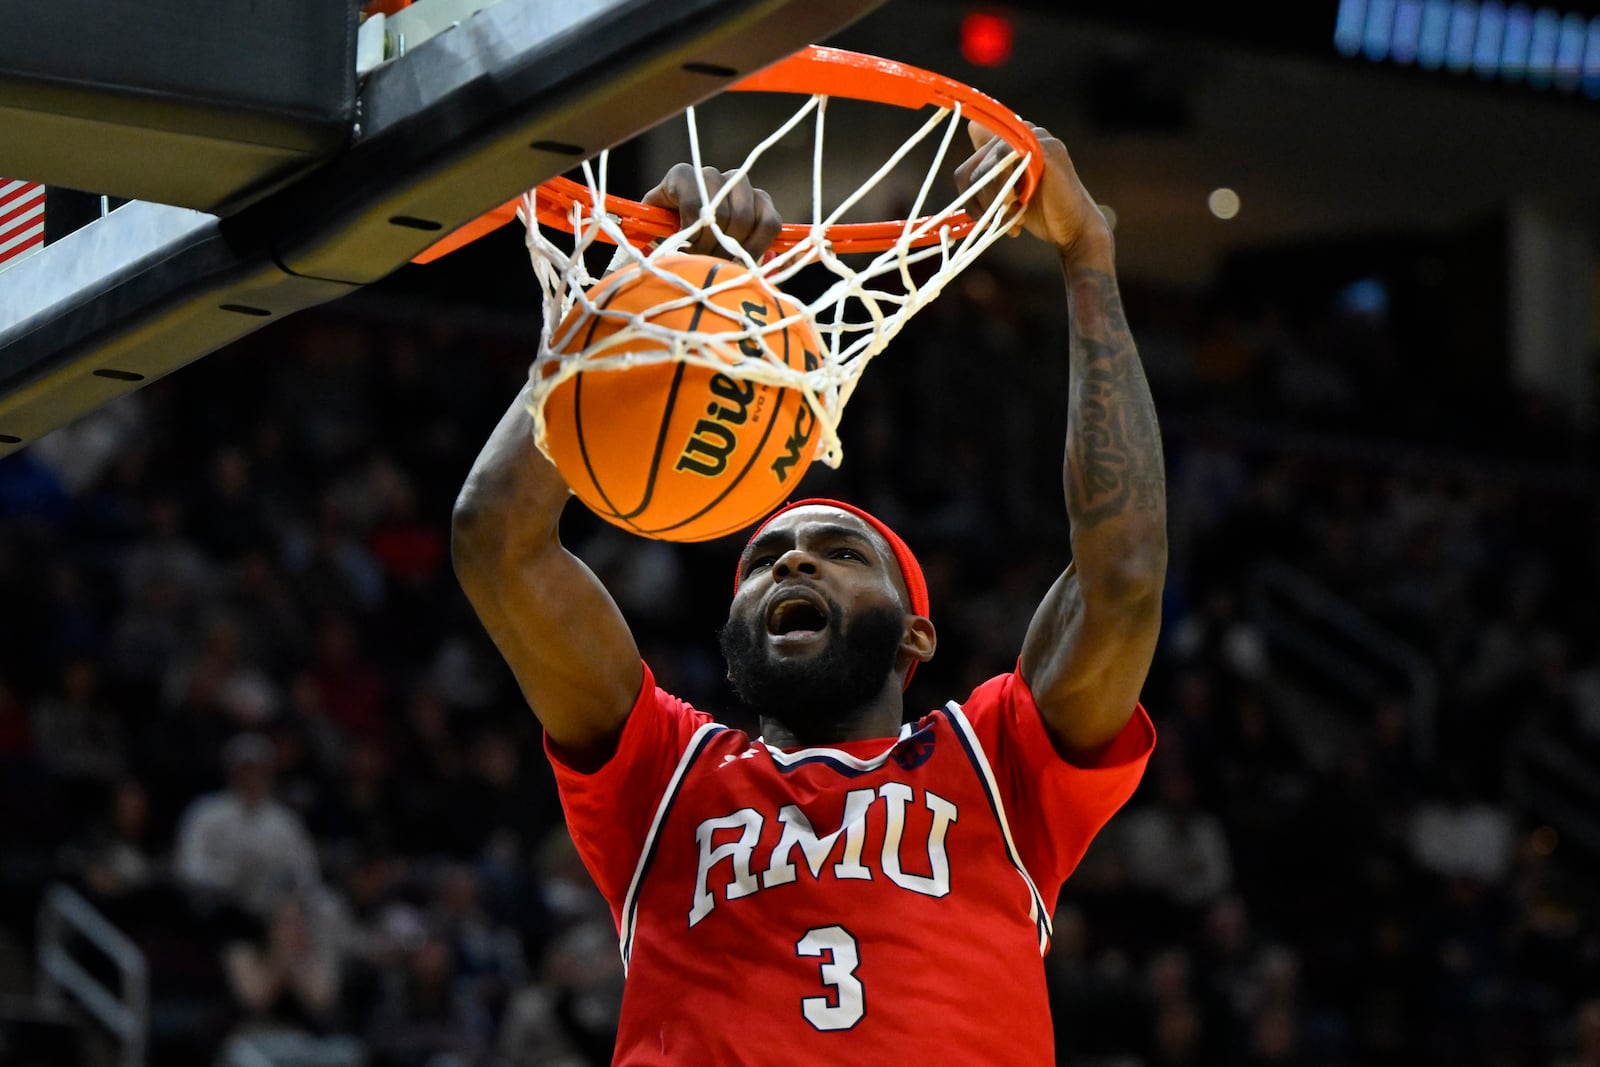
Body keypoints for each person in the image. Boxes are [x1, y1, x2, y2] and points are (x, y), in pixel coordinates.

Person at [453, 121, 1166, 1064]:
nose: (790, 563)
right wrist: (654, 289)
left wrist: (1087, 256)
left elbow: (1120, 575)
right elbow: (495, 540)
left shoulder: (994, 765)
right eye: (763, 560)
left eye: (838, 552)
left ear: (917, 637)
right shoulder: (662, 773)